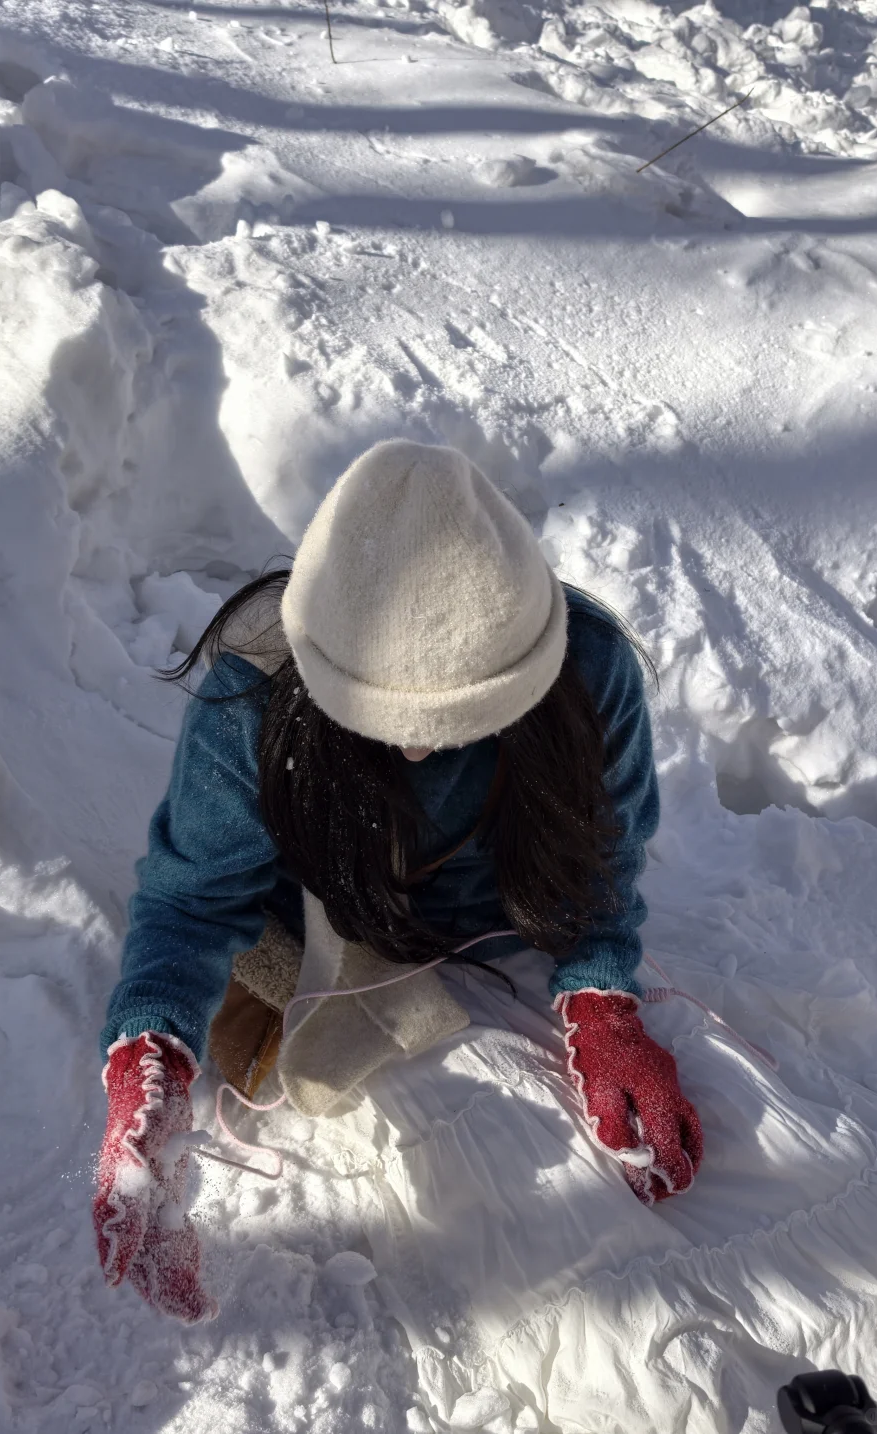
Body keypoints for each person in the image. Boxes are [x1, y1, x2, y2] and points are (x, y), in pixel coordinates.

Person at [92, 439, 702, 1323]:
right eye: (385, 715)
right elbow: (191, 900)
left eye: (455, 718)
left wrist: (602, 995)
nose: (416, 748)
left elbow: (605, 858)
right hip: (323, 932)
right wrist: (146, 1062)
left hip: (510, 941)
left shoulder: (591, 667)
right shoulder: (253, 698)